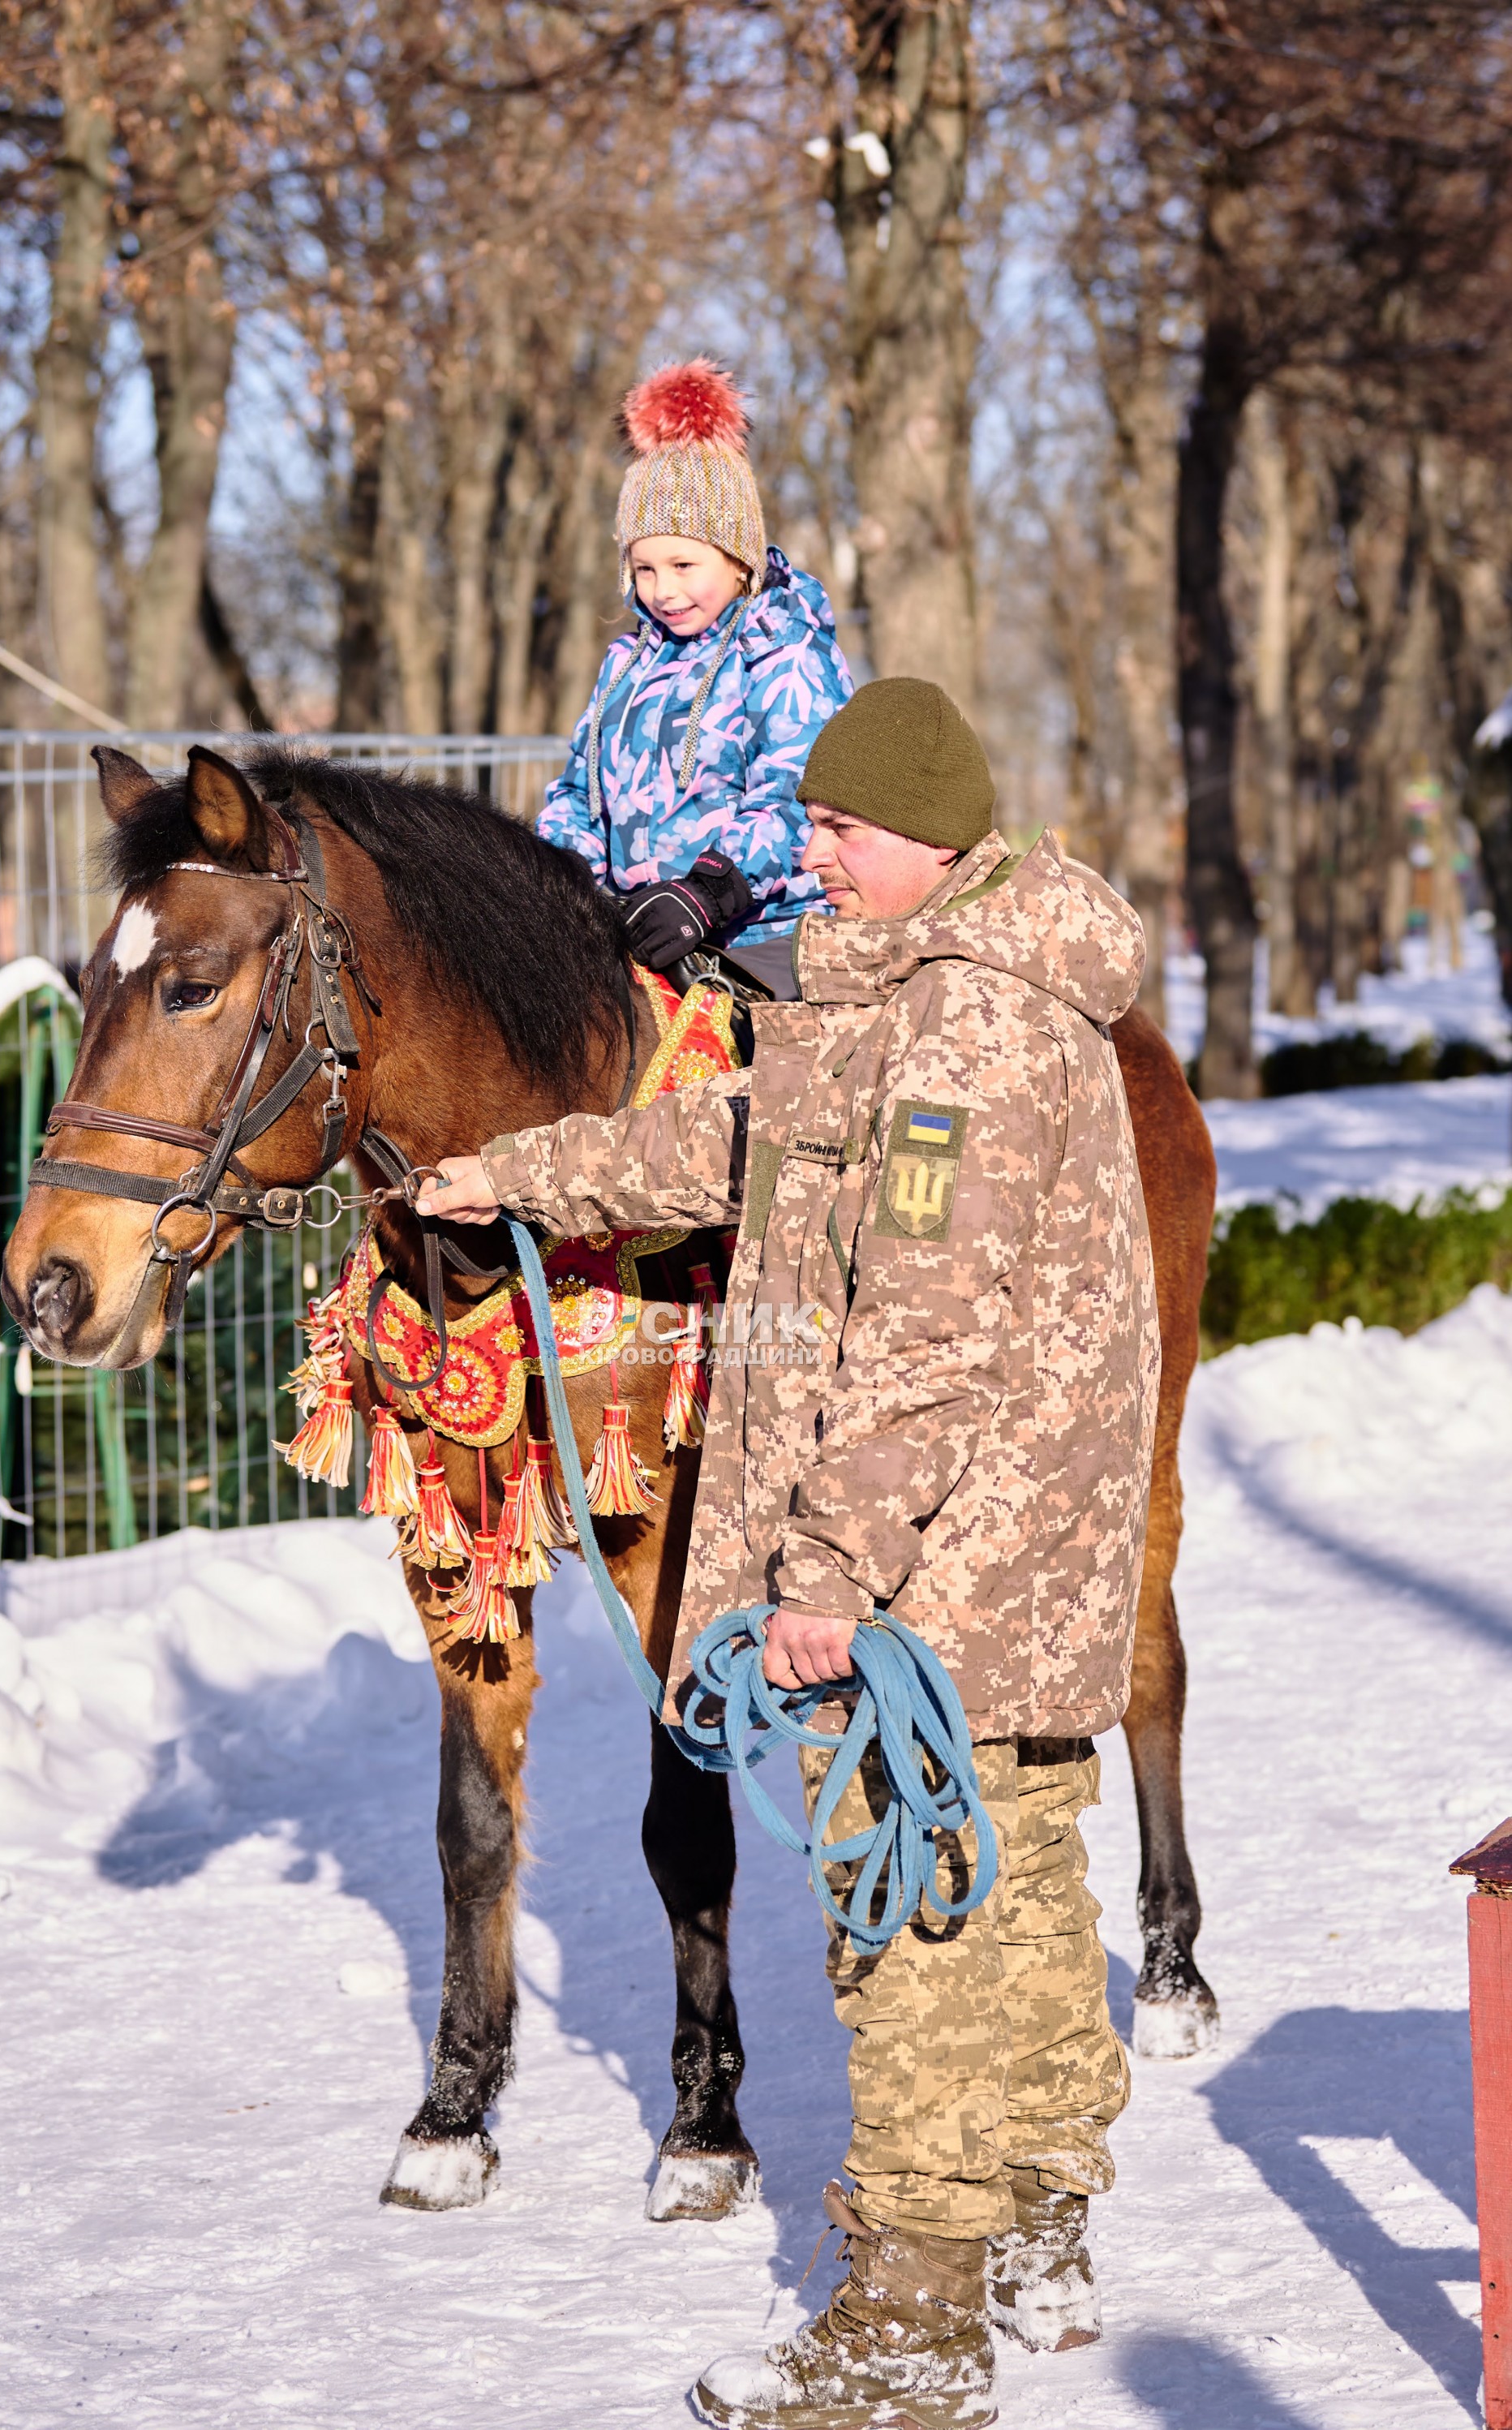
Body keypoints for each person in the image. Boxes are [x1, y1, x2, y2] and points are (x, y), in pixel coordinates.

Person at [426, 676, 1158, 2428]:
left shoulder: (966, 1033)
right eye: (810, 822)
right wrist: (510, 1175)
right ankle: (1042, 2223)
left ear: (930, 836)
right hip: (1012, 1557)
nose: (807, 853)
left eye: (837, 829)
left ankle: (905, 2332)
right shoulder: (891, 1002)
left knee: (902, 1915)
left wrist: (829, 1584)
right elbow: (722, 1140)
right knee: (1025, 1872)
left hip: (945, 1563)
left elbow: (918, 1333)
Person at [537, 356, 853, 1000]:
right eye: (645, 568)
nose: (664, 590)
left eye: (684, 563)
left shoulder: (785, 653)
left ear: (738, 559)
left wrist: (707, 890)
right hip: (638, 928)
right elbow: (578, 789)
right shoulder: (626, 664)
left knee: (754, 1078)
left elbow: (797, 792)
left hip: (761, 932)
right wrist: (562, 876)